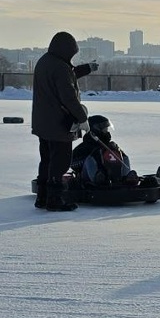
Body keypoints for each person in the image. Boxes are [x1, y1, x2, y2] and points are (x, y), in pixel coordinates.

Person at [32, 31, 91, 211]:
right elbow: (69, 97)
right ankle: (55, 200)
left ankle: (42, 197)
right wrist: (82, 118)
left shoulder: (45, 62)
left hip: (43, 122)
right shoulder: (60, 68)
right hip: (58, 124)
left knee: (47, 160)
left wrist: (85, 68)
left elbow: (64, 77)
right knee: (60, 162)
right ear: (66, 50)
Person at [71, 114, 139, 185]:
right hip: (89, 178)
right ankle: (98, 179)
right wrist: (91, 156)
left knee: (124, 157)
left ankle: (125, 178)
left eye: (107, 129)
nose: (106, 132)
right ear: (95, 130)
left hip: (112, 175)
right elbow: (72, 163)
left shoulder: (110, 146)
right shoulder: (84, 147)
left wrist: (117, 151)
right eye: (104, 129)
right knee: (90, 159)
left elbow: (123, 158)